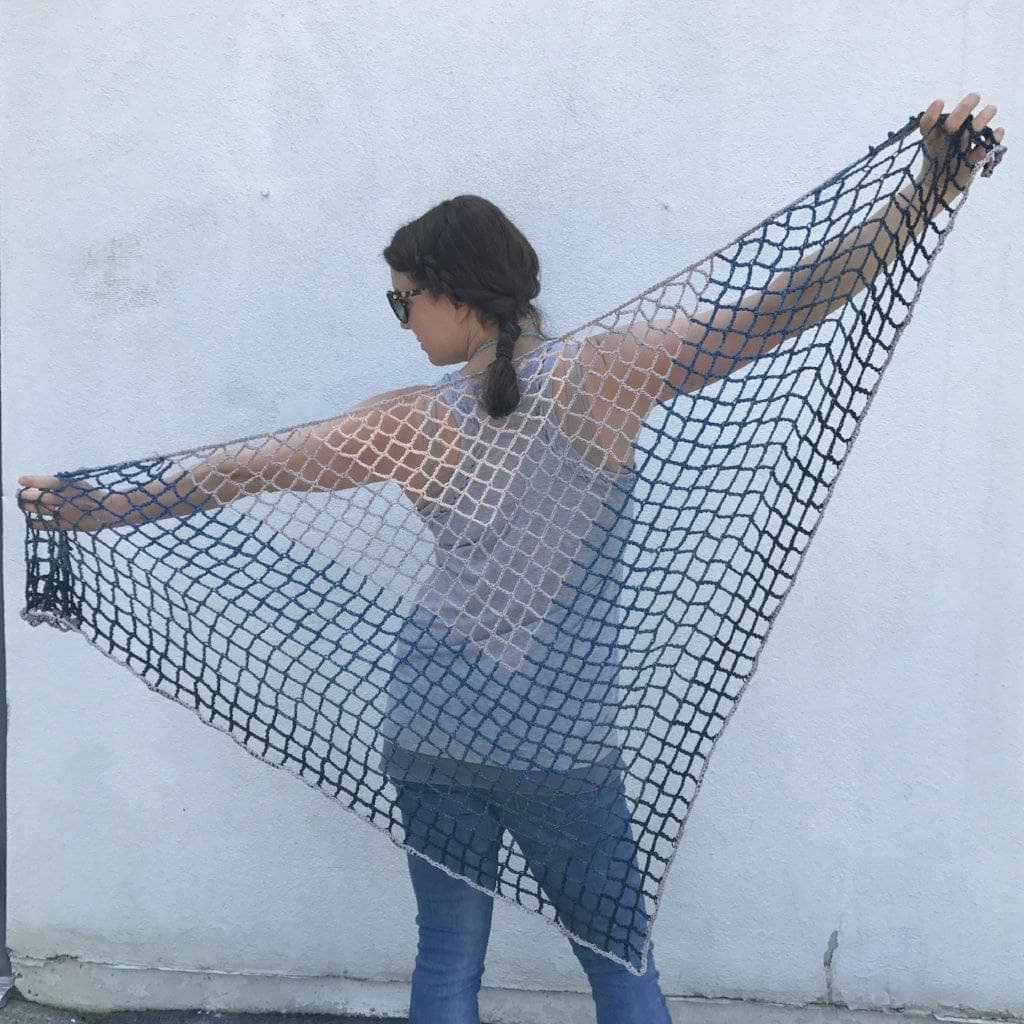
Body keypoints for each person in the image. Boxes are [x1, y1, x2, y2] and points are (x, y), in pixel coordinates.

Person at [17, 95, 1002, 1024]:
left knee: (447, 959)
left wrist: (88, 508)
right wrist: (926, 192)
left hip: (430, 724)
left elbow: (232, 474)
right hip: (557, 741)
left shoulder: (404, 425)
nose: (403, 321)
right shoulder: (608, 372)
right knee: (619, 961)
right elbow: (781, 304)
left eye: (403, 301)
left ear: (455, 296)